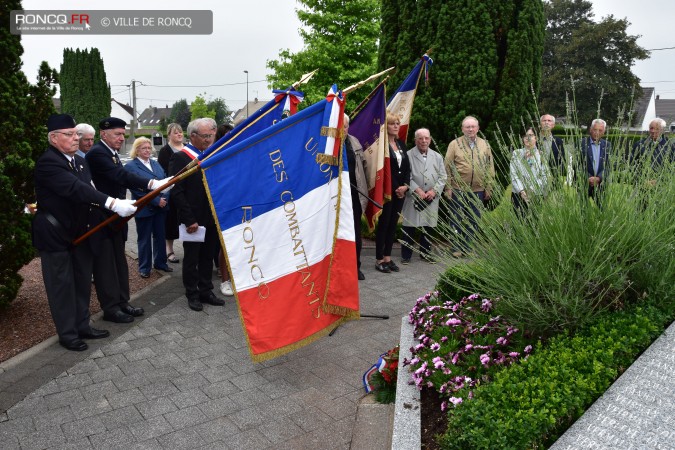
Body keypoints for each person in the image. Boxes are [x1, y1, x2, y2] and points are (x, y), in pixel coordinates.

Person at [33, 114, 137, 351]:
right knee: (61, 286)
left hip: (80, 233)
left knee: (81, 282)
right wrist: (112, 203)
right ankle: (68, 334)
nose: (75, 138)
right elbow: (75, 189)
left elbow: (89, 190)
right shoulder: (49, 162)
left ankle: (82, 325)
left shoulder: (79, 162)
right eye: (69, 135)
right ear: (53, 138)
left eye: (75, 134)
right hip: (55, 234)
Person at [86, 117, 173, 323]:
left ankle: (122, 301)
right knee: (106, 265)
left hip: (116, 218)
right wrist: (152, 183)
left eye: (122, 134)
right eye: (117, 134)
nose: (121, 138)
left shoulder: (112, 154)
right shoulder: (98, 153)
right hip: (102, 217)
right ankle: (110, 307)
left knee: (119, 262)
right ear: (103, 134)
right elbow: (121, 176)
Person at [169, 118, 226, 311]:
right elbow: (177, 192)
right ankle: (192, 293)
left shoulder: (211, 155)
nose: (209, 140)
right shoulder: (181, 158)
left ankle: (206, 290)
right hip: (193, 219)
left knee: (207, 256)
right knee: (192, 258)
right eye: (205, 136)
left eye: (211, 135)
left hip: (211, 217)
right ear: (193, 136)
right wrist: (188, 219)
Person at [444, 116, 495, 257]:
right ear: (462, 129)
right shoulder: (454, 144)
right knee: (456, 218)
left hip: (478, 189)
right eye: (467, 127)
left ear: (478, 128)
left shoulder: (485, 144)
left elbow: (490, 167)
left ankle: (467, 247)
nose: (470, 129)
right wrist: (448, 187)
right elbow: (447, 166)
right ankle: (456, 247)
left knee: (474, 220)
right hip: (458, 188)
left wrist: (489, 186)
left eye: (473, 126)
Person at [124, 137, 172, 278]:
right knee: (144, 238)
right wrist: (156, 200)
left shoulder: (155, 163)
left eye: (149, 148)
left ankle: (161, 263)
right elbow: (136, 188)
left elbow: (165, 181)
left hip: (161, 207)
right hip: (145, 207)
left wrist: (164, 199)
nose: (147, 150)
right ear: (137, 150)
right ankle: (144, 267)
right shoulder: (131, 166)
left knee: (160, 236)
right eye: (144, 148)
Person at [400, 128, 447, 264]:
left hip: (431, 197)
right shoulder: (408, 155)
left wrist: (434, 191)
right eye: (420, 138)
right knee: (409, 226)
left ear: (430, 140)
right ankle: (406, 255)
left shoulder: (437, 156)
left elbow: (443, 176)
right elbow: (406, 175)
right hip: (414, 197)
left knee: (428, 226)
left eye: (426, 138)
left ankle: (425, 253)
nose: (424, 141)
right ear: (415, 140)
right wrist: (417, 190)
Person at [375, 113, 410, 273]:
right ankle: (379, 259)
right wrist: (397, 187)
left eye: (397, 123)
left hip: (400, 192)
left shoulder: (401, 144)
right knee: (384, 224)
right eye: (392, 123)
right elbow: (387, 171)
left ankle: (388, 257)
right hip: (387, 192)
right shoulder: (382, 147)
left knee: (393, 225)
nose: (396, 126)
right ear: (386, 126)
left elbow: (407, 169)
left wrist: (406, 186)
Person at [344, 113, 369, 280]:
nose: (342, 129)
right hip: (336, 196)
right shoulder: (327, 142)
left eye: (345, 126)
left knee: (355, 231)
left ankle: (355, 266)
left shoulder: (354, 142)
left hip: (354, 194)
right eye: (339, 125)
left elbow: (364, 167)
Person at [158, 123, 184, 264]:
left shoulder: (188, 148)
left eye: (180, 132)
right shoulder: (165, 151)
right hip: (172, 189)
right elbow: (164, 172)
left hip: (188, 189)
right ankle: (169, 249)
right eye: (176, 133)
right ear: (169, 135)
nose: (179, 134)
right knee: (171, 220)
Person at [214, 123, 234, 296]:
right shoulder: (217, 153)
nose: (230, 136)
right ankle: (225, 280)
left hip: (242, 199)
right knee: (225, 244)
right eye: (226, 134)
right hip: (225, 202)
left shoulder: (240, 149)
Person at [510, 127, 549, 218]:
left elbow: (544, 176)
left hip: (536, 194)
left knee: (534, 223)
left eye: (531, 135)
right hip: (518, 194)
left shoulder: (541, 155)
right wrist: (522, 191)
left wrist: (531, 189)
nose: (528, 138)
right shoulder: (516, 154)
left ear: (536, 138)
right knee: (518, 222)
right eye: (525, 136)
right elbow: (513, 174)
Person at [580, 118, 610, 208]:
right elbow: (577, 164)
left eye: (600, 130)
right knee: (583, 211)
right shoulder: (581, 143)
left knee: (602, 209)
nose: (597, 132)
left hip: (601, 184)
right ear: (590, 130)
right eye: (595, 129)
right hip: (583, 183)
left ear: (604, 132)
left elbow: (609, 165)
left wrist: (599, 178)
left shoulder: (608, 145)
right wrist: (588, 177)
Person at [539, 114, 566, 181]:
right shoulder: (533, 140)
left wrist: (555, 173)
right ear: (540, 124)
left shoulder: (558, 141)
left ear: (553, 125)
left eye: (549, 121)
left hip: (553, 180)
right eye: (544, 120)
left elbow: (562, 161)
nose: (546, 122)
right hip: (534, 179)